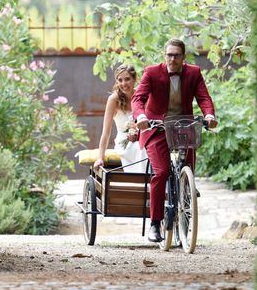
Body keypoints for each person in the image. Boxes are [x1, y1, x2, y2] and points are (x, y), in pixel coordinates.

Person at [133, 38, 217, 242]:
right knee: (161, 172)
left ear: (183, 57)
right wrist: (142, 117)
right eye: (169, 55)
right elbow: (138, 98)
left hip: (183, 125)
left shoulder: (194, 73)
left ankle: (186, 191)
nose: (172, 59)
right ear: (165, 56)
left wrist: (209, 115)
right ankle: (155, 224)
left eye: (176, 55)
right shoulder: (152, 72)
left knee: (186, 167)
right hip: (156, 127)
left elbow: (204, 98)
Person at [93, 64, 148, 173]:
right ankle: (142, 183)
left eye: (127, 79)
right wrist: (100, 157)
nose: (124, 84)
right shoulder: (113, 100)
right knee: (141, 149)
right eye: (120, 80)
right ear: (117, 82)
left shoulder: (142, 96)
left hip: (143, 138)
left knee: (148, 148)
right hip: (124, 142)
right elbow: (106, 132)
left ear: (134, 79)